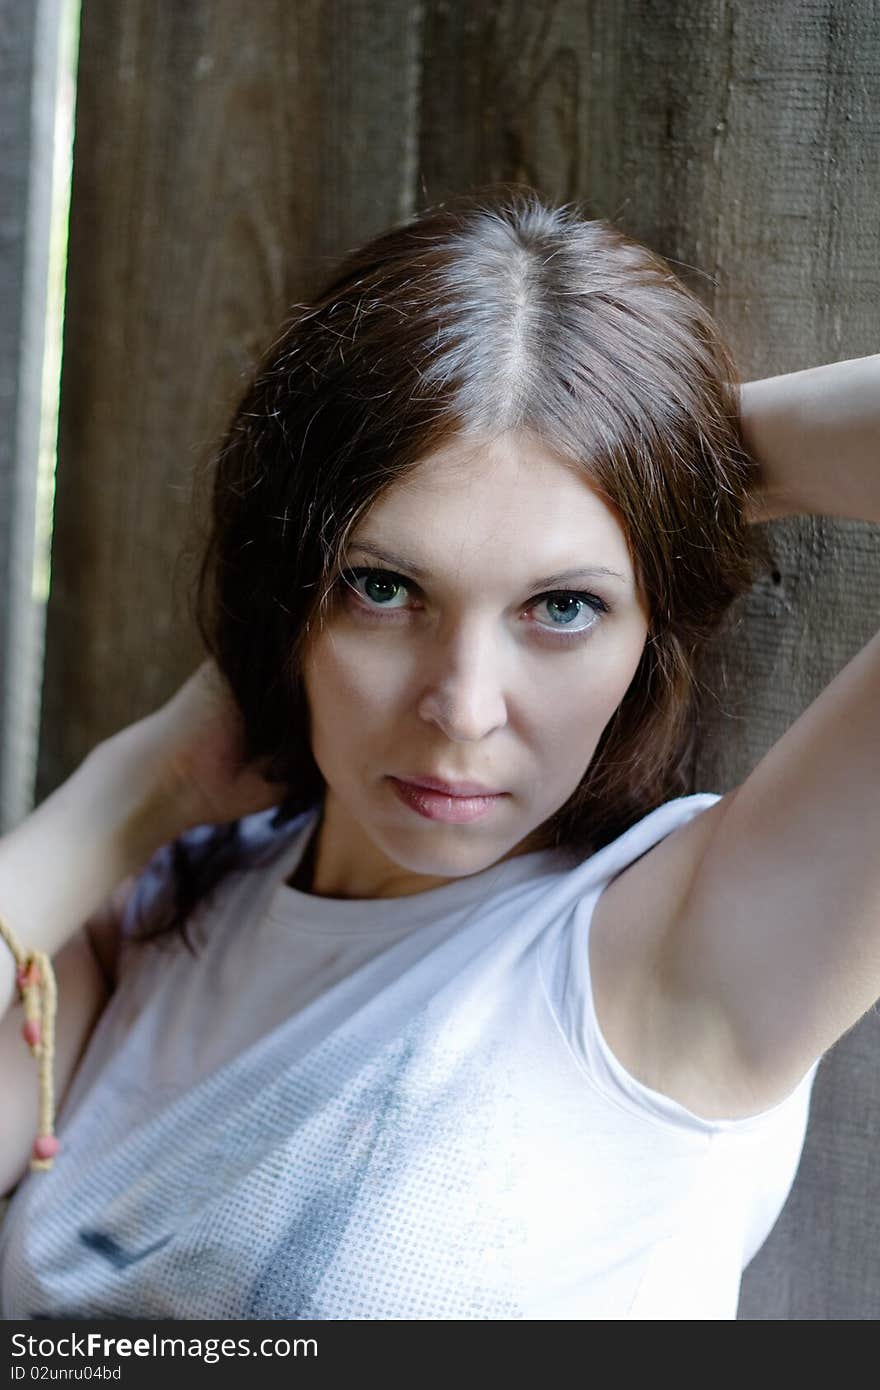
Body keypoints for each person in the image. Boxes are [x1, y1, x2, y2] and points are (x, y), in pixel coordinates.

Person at [0, 187, 877, 1320]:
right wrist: (137, 788)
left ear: (647, 628)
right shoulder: (146, 918)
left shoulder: (678, 960)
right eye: (383, 588)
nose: (462, 708)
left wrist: (668, 461)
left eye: (561, 606)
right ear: (292, 595)